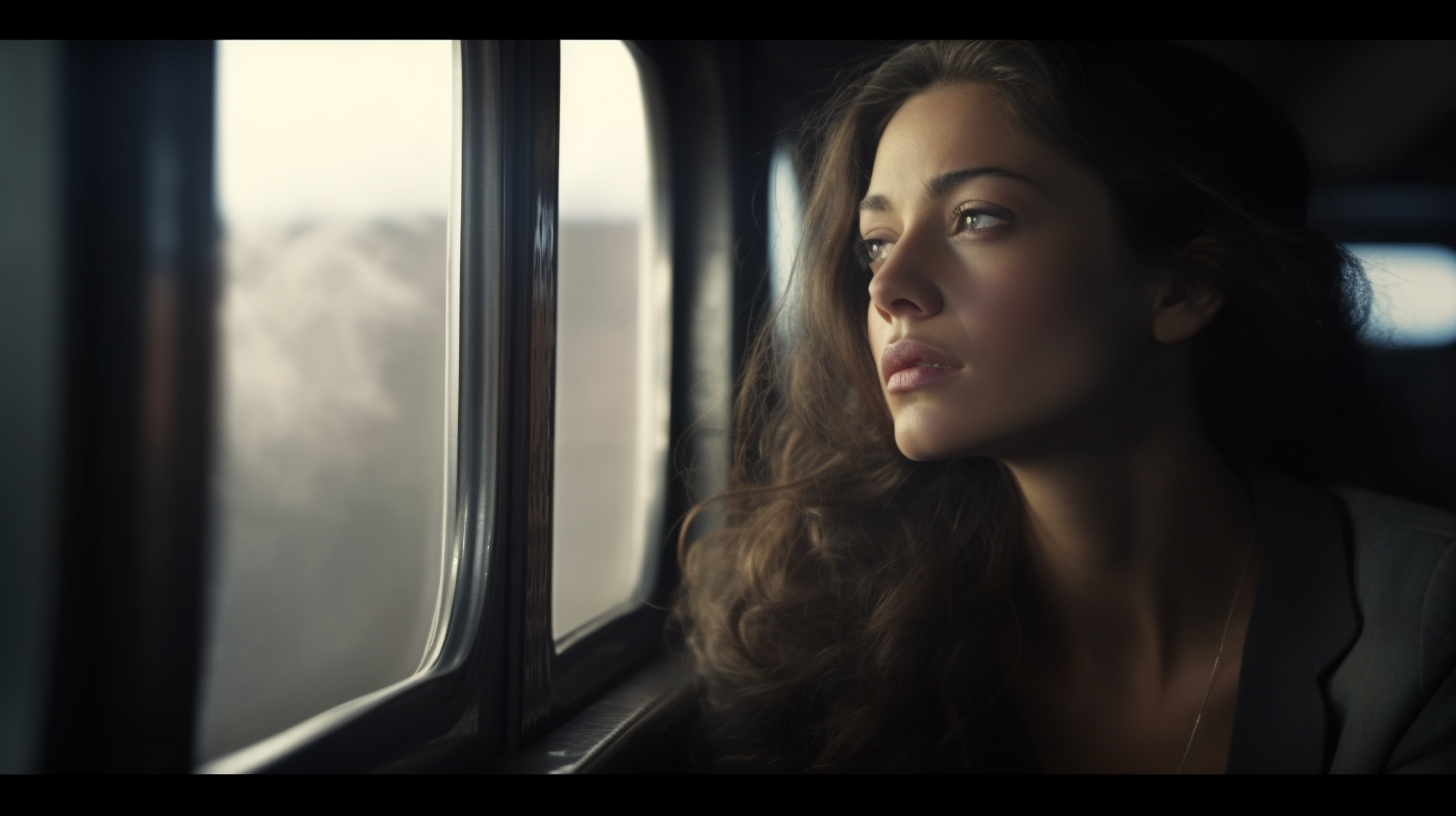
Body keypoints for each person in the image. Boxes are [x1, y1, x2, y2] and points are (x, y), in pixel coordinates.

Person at [673, 40, 1456, 773]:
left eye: (977, 218)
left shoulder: (1429, 618)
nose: (886, 288)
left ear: (1182, 287)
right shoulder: (822, 638)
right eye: (875, 242)